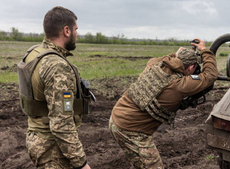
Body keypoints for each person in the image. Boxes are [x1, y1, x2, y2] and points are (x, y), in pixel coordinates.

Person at [109, 38, 218, 168]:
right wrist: (204, 50)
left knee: (140, 163)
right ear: (190, 68)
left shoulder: (155, 63)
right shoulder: (179, 85)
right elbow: (211, 75)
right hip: (130, 130)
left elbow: (168, 59)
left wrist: (176, 56)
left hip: (116, 117)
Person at [17, 6, 91, 169]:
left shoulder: (35, 53)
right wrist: (82, 163)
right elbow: (61, 124)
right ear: (66, 31)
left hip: (36, 137)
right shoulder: (57, 66)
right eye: (75, 29)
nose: (77, 34)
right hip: (52, 150)